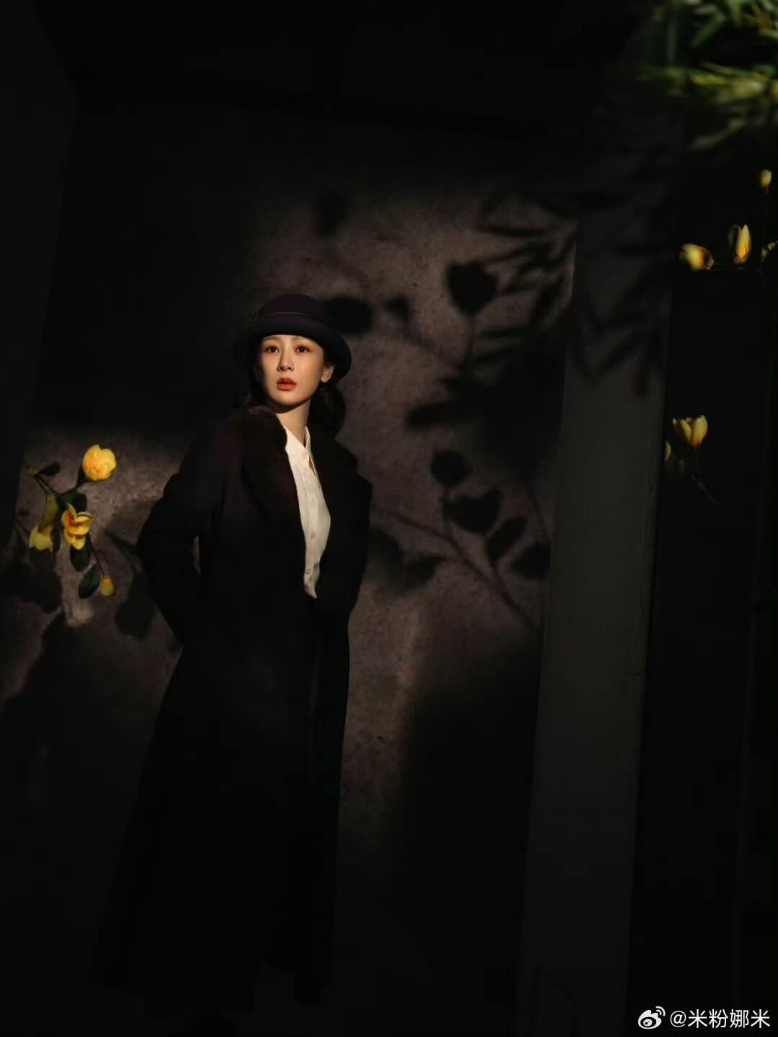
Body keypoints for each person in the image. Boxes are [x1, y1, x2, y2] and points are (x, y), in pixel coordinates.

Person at [89, 294, 373, 1034]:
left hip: (310, 673)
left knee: (281, 827)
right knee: (215, 825)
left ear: (328, 368)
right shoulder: (228, 440)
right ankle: (196, 995)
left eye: (302, 349)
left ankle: (247, 982)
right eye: (271, 348)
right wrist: (211, 635)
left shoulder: (341, 470)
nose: (285, 362)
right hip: (236, 669)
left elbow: (335, 572)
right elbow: (162, 542)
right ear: (255, 364)